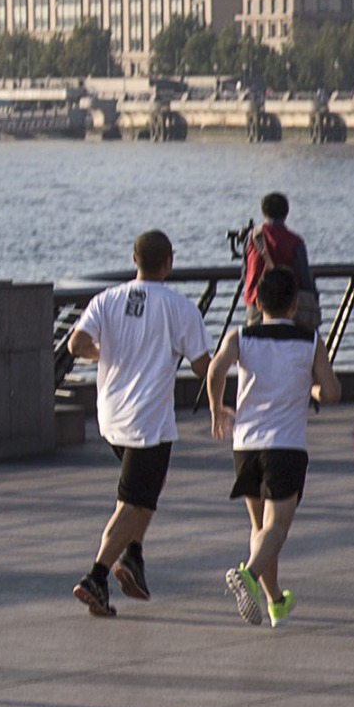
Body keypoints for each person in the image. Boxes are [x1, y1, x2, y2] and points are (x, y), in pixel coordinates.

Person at [66, 229, 212, 619]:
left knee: (148, 487)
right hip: (146, 420)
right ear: (169, 262)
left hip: (112, 415)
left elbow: (75, 345)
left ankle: (133, 555)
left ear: (134, 260)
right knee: (132, 502)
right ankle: (97, 575)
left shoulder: (106, 299)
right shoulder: (180, 308)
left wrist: (102, 354)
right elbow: (202, 366)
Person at [209, 268, 338, 628]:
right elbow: (331, 392)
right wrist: (311, 390)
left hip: (246, 444)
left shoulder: (241, 335)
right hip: (285, 445)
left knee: (260, 528)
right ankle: (247, 574)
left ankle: (275, 601)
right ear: (295, 304)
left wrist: (216, 408)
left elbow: (215, 369)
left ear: (256, 301)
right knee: (277, 526)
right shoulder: (309, 340)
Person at [237, 192, 309, 320]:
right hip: (286, 309)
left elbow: (245, 274)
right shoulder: (295, 242)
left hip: (256, 304)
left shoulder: (251, 238)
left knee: (253, 338)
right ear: (286, 213)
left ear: (264, 212)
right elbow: (304, 278)